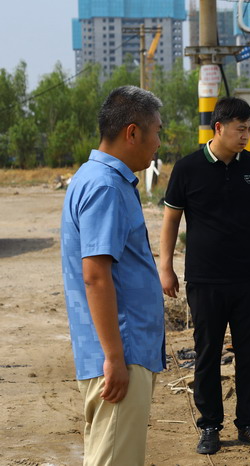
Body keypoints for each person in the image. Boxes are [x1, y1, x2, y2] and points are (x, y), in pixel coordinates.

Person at [159, 97, 250, 455]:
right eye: (240, 129)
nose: (246, 136)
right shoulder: (188, 168)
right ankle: (210, 425)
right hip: (205, 279)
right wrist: (165, 266)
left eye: (249, 129)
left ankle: (249, 424)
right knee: (207, 353)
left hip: (249, 279)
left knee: (249, 354)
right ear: (219, 127)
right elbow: (171, 219)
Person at [61, 85, 166, 466]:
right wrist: (115, 357)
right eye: (157, 131)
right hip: (121, 352)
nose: (159, 143)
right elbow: (95, 276)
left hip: (123, 351)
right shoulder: (105, 186)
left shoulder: (99, 179)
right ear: (132, 132)